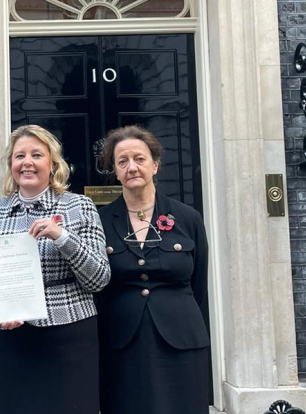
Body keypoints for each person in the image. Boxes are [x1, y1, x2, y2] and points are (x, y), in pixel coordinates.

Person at [0, 124, 111, 414]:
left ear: (52, 164)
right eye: (19, 156)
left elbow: (99, 278)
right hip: (10, 339)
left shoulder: (79, 207)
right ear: (11, 165)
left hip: (69, 335)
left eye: (36, 155)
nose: (27, 162)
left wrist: (62, 237)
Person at [96, 125, 210, 414]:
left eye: (139, 159)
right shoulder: (99, 220)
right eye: (122, 161)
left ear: (155, 165)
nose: (131, 167)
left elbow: (198, 284)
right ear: (115, 170)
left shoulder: (187, 218)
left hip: (180, 339)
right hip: (122, 342)